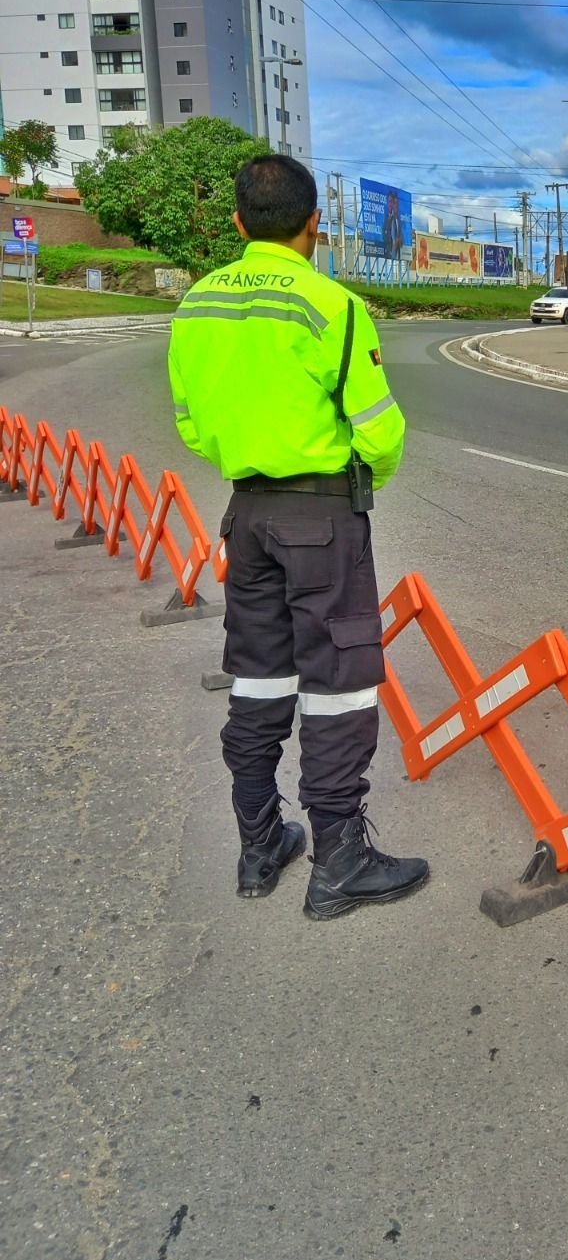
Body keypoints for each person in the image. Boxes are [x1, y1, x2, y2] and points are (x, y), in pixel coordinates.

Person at [168, 155, 429, 920]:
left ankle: (258, 847)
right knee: (339, 685)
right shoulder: (331, 304)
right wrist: (358, 476)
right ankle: (340, 862)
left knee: (257, 678)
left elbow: (191, 424)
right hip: (322, 518)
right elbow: (380, 431)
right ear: (315, 223)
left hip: (246, 517)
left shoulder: (196, 306)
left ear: (238, 222)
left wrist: (249, 457)